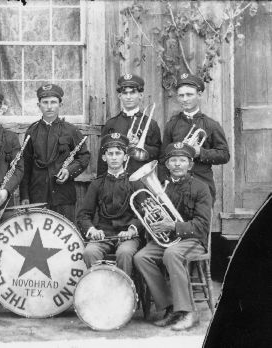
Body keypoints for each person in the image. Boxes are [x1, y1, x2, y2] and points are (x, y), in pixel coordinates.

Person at [133, 142, 212, 331]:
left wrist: (174, 225)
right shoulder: (163, 187)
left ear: (190, 165)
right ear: (167, 165)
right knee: (141, 257)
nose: (177, 164)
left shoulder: (201, 188)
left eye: (182, 160)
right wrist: (153, 222)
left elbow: (202, 225)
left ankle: (187, 311)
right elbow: (157, 218)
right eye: (173, 160)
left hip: (192, 240)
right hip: (169, 240)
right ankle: (170, 308)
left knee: (171, 254)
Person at [20, 83, 90, 222]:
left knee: (63, 235)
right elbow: (25, 165)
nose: (49, 106)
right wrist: (25, 196)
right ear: (39, 105)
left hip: (63, 195)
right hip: (37, 195)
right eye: (45, 102)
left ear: (60, 105)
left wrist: (69, 171)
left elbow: (84, 157)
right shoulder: (31, 132)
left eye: (53, 102)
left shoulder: (71, 131)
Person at [77, 133, 143, 277]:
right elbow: (83, 215)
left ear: (125, 157)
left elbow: (143, 212)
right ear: (104, 157)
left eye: (118, 153)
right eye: (110, 153)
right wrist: (92, 230)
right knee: (90, 252)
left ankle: (125, 294)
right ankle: (100, 291)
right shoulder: (96, 184)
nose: (114, 157)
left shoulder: (135, 182)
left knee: (124, 253)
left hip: (128, 237)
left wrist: (131, 230)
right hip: (103, 235)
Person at [160, 73, 229, 204]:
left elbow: (225, 155)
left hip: (202, 182)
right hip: (176, 188)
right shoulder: (172, 125)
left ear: (199, 94)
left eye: (189, 94)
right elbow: (163, 158)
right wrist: (164, 184)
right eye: (181, 95)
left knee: (202, 222)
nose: (185, 99)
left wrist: (201, 152)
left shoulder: (211, 124)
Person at [97, 74, 161, 176]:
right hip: (116, 179)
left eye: (132, 92)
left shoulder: (151, 124)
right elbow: (102, 157)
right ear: (120, 96)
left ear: (140, 95)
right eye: (125, 93)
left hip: (141, 179)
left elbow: (158, 153)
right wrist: (101, 182)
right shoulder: (111, 124)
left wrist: (140, 145)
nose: (128, 97)